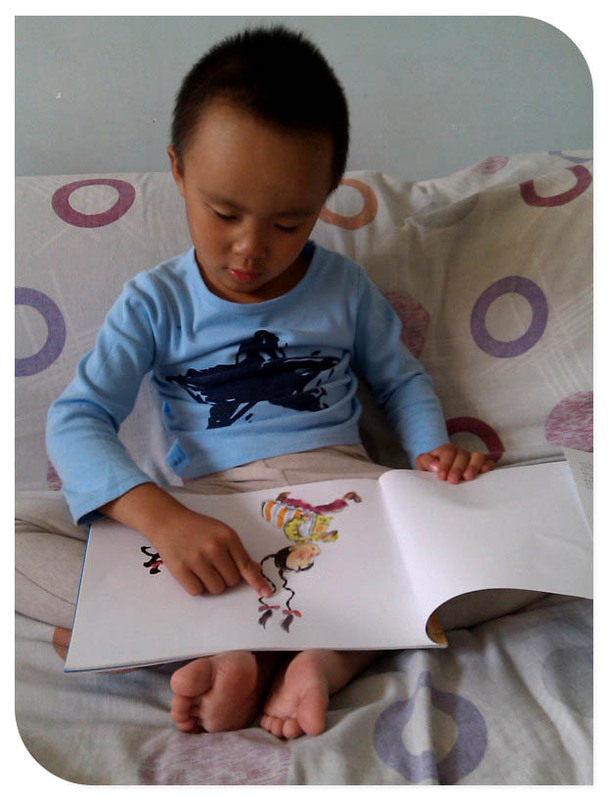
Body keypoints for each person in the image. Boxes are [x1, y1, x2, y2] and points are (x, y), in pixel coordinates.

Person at [41, 26, 494, 739]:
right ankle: (261, 644)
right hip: (218, 515)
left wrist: (431, 456)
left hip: (346, 498)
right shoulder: (154, 301)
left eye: (289, 222)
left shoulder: (345, 287)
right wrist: (162, 519)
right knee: (18, 531)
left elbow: (402, 383)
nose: (250, 249)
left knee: (515, 530)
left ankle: (284, 654)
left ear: (325, 197)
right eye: (224, 214)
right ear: (178, 170)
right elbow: (77, 418)